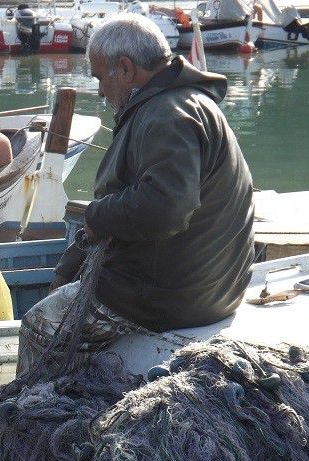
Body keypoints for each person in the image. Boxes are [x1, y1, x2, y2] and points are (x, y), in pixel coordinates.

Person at [17, 14, 254, 375]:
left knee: (40, 325)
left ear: (125, 69)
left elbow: (166, 208)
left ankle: (33, 407)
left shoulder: (167, 115)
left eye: (100, 77)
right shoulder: (182, 103)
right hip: (215, 289)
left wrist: (97, 216)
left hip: (173, 297)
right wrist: (72, 263)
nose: (100, 91)